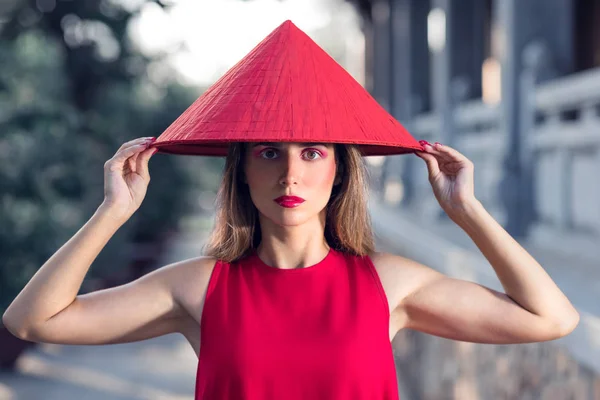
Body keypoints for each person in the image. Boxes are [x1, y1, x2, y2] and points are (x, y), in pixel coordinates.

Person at [2, 136, 580, 400]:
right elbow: (33, 321)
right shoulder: (199, 286)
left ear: (340, 173)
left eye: (312, 153)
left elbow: (550, 318)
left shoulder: (389, 283)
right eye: (269, 153)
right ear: (242, 172)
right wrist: (113, 212)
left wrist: (467, 212)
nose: (290, 175)